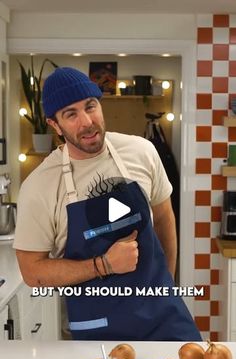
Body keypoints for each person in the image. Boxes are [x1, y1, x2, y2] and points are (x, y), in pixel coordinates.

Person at [14, 67, 201, 341]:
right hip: (98, 329)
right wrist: (103, 265)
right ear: (55, 124)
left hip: (165, 318)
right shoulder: (39, 186)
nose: (87, 121)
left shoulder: (141, 151)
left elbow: (164, 219)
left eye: (91, 106)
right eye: (71, 114)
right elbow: (32, 271)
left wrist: (165, 286)